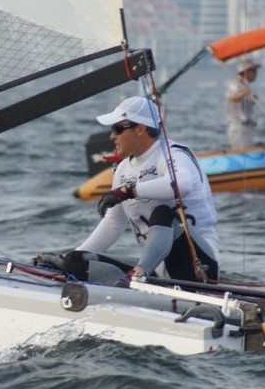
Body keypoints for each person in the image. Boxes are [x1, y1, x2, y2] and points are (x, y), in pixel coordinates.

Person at [48, 96, 219, 285]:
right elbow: (113, 223)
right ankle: (136, 278)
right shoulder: (122, 169)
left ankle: (138, 276)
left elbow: (182, 184)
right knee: (77, 261)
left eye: (118, 128)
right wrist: (70, 259)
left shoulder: (174, 154)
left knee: (163, 213)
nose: (112, 136)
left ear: (140, 129)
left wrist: (128, 192)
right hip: (157, 268)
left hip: (198, 267)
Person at [225, 59, 260, 149]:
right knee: (242, 154)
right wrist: (243, 93)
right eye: (254, 71)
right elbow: (232, 97)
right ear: (246, 72)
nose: (256, 74)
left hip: (248, 127)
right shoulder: (236, 83)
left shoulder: (245, 85)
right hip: (239, 127)